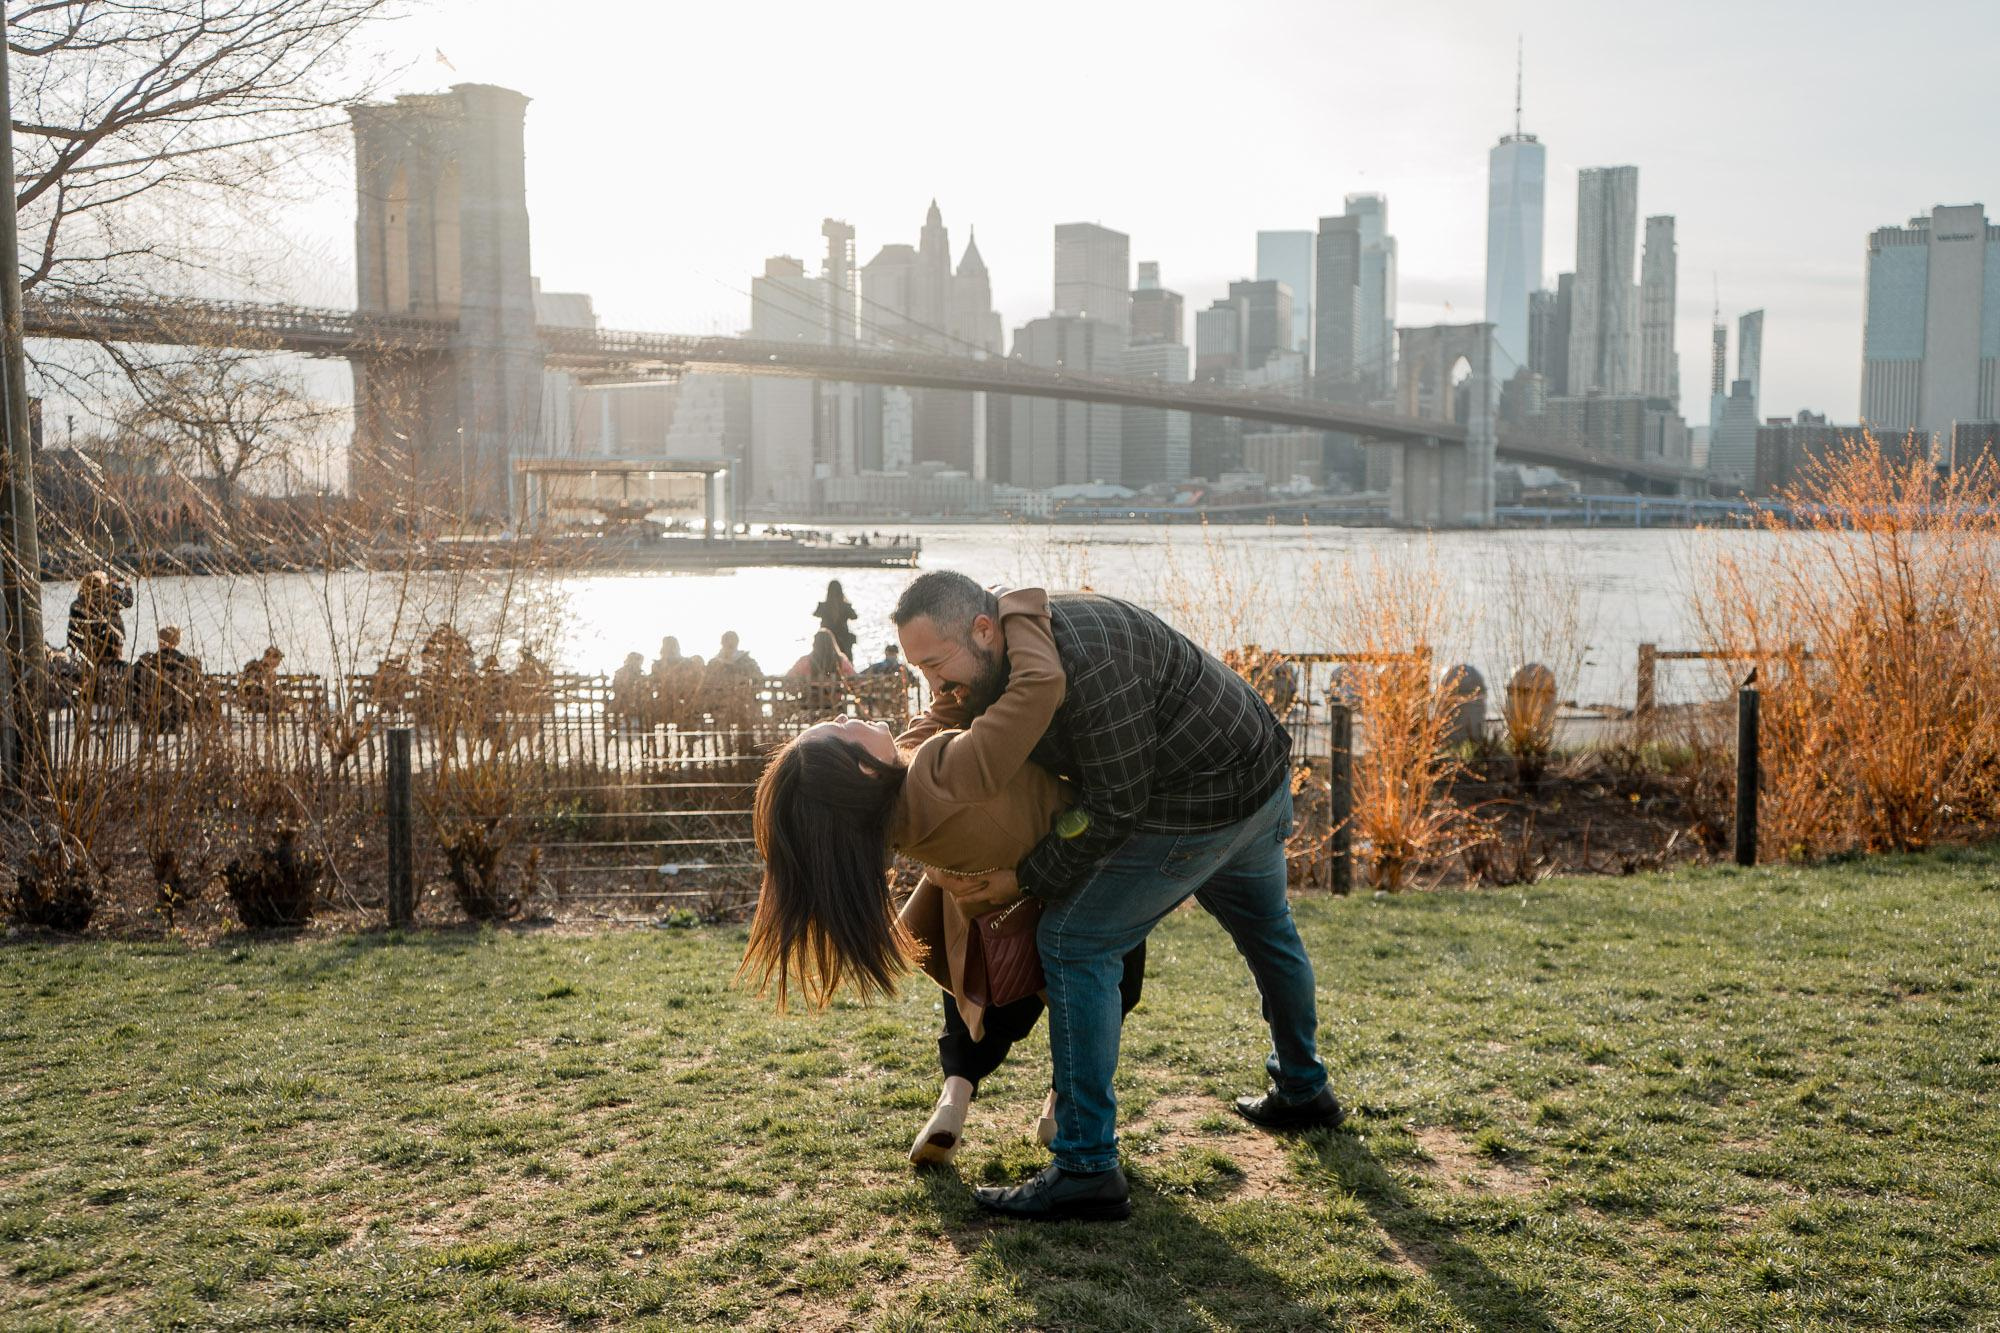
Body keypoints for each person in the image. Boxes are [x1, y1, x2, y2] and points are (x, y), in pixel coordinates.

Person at [894, 570, 1339, 1223]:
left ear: (984, 629)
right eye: (918, 670)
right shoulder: (1008, 651)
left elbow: (1114, 808)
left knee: (1074, 938)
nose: (934, 682)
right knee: (1269, 928)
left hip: (1202, 799)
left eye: (935, 663)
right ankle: (1304, 1089)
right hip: (1257, 768)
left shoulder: (1091, 670)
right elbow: (952, 718)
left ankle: (1085, 1166)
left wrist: (1023, 879)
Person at [745, 588, 1145, 1166]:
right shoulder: (941, 772)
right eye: (838, 727)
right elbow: (1036, 690)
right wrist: (1020, 609)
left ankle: (953, 1102)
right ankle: (1060, 1103)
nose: (842, 716)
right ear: (859, 768)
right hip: (1068, 868)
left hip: (984, 904)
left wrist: (949, 683)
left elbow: (930, 723)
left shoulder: (892, 803)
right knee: (1107, 982)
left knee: (978, 1000)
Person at [130, 626, 204, 735]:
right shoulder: (186, 662)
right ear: (176, 642)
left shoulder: (147, 661)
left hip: (150, 710)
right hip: (179, 711)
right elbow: (197, 686)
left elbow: (132, 680)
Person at [65, 570, 127, 672]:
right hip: (106, 654)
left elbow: (72, 633)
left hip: (86, 655)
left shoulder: (77, 605)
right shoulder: (108, 604)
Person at [813, 579, 858, 661]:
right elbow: (854, 616)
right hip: (844, 640)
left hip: (826, 640)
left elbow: (815, 614)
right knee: (846, 662)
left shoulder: (823, 606)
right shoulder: (846, 606)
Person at [239, 645, 286, 714]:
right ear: (268, 657)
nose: (279, 663)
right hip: (255, 702)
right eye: (277, 658)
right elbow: (250, 687)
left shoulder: (269, 671)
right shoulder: (255, 668)